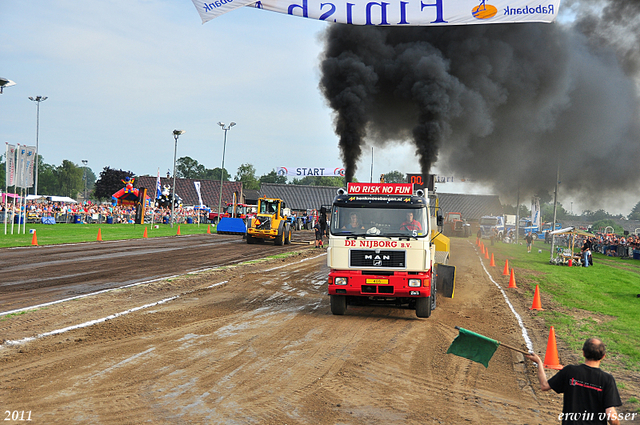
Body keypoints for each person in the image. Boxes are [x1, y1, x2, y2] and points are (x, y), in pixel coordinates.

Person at [525, 338, 622, 425]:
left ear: (583, 353)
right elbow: (611, 415)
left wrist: (539, 363)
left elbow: (544, 385)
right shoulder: (607, 379)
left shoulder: (570, 371)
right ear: (603, 356)